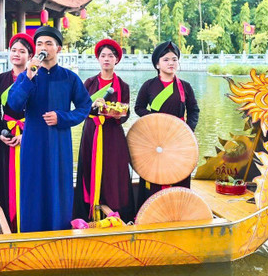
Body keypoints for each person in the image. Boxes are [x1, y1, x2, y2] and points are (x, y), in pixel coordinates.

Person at [7, 26, 91, 233]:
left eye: (48, 43)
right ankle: (31, 234)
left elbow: (84, 107)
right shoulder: (27, 76)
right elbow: (14, 105)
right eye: (39, 44)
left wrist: (62, 117)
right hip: (33, 142)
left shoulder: (69, 78)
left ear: (58, 48)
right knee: (32, 186)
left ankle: (59, 233)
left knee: (58, 186)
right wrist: (29, 76)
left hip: (59, 143)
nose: (43, 47)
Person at [72, 39, 134, 224]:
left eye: (111, 56)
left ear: (117, 60)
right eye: (103, 56)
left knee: (114, 170)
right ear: (98, 59)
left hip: (113, 134)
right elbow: (81, 109)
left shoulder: (123, 85)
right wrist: (93, 106)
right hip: (92, 132)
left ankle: (116, 212)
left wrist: (116, 113)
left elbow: (126, 113)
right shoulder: (89, 83)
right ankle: (89, 212)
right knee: (89, 168)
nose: (107, 59)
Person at [133, 40, 200, 209]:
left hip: (178, 140)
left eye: (174, 59)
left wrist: (188, 130)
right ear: (157, 64)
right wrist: (156, 120)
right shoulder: (149, 85)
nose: (171, 63)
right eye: (166, 60)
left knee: (179, 175)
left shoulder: (185, 87)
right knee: (153, 176)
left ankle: (178, 212)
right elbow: (138, 107)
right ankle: (151, 211)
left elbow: (194, 110)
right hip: (155, 139)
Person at [0, 33, 34, 233]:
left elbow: (40, 112)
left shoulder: (36, 79)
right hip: (6, 138)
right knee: (5, 181)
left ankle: (28, 226)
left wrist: (27, 135)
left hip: (30, 137)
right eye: (13, 50)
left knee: (29, 180)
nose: (16, 54)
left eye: (22, 51)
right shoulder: (0, 79)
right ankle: (7, 225)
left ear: (30, 55)